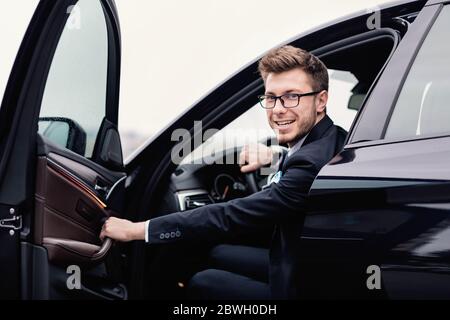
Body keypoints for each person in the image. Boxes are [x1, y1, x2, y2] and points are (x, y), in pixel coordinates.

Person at [100, 45, 347, 299]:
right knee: (215, 252)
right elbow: (303, 167)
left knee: (204, 283)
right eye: (271, 97)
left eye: (292, 96)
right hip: (302, 259)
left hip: (302, 284)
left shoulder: (309, 164)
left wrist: (136, 230)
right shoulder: (333, 137)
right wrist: (276, 156)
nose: (278, 109)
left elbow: (229, 215)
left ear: (321, 100)